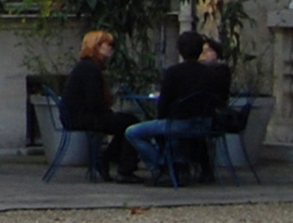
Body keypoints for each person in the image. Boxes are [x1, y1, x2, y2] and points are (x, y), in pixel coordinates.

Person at [127, 32, 233, 183]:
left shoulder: (174, 72)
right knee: (167, 131)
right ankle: (176, 167)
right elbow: (220, 100)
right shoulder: (212, 74)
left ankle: (161, 166)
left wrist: (162, 118)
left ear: (180, 50)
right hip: (206, 125)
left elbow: (164, 103)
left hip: (178, 124)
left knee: (133, 132)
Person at [59, 29, 142, 179]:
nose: (111, 48)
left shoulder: (86, 66)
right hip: (83, 117)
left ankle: (106, 159)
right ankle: (123, 168)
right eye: (107, 44)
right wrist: (109, 113)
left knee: (126, 123)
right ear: (96, 46)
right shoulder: (90, 69)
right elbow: (94, 102)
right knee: (131, 124)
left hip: (78, 116)